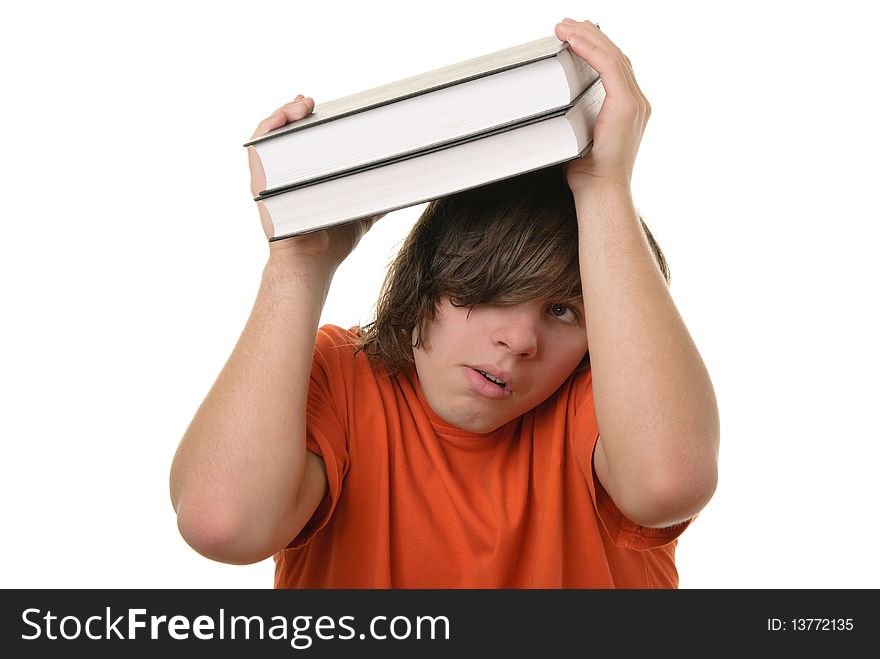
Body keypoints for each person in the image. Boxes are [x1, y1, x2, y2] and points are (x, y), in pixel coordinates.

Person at [170, 18, 719, 588]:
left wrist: (605, 187)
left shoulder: (600, 404)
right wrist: (297, 266)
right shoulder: (337, 379)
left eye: (563, 311)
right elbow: (221, 524)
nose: (521, 341)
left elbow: (667, 481)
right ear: (426, 279)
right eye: (492, 288)